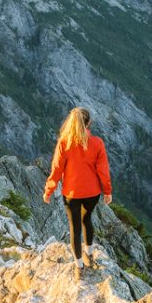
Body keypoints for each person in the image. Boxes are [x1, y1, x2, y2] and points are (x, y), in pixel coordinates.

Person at [43, 107, 112, 276]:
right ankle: (89, 254)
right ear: (89, 123)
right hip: (92, 192)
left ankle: (78, 266)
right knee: (87, 220)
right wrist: (107, 191)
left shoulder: (64, 143)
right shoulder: (97, 143)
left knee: (74, 227)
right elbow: (103, 170)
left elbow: (57, 170)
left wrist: (49, 191)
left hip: (72, 193)